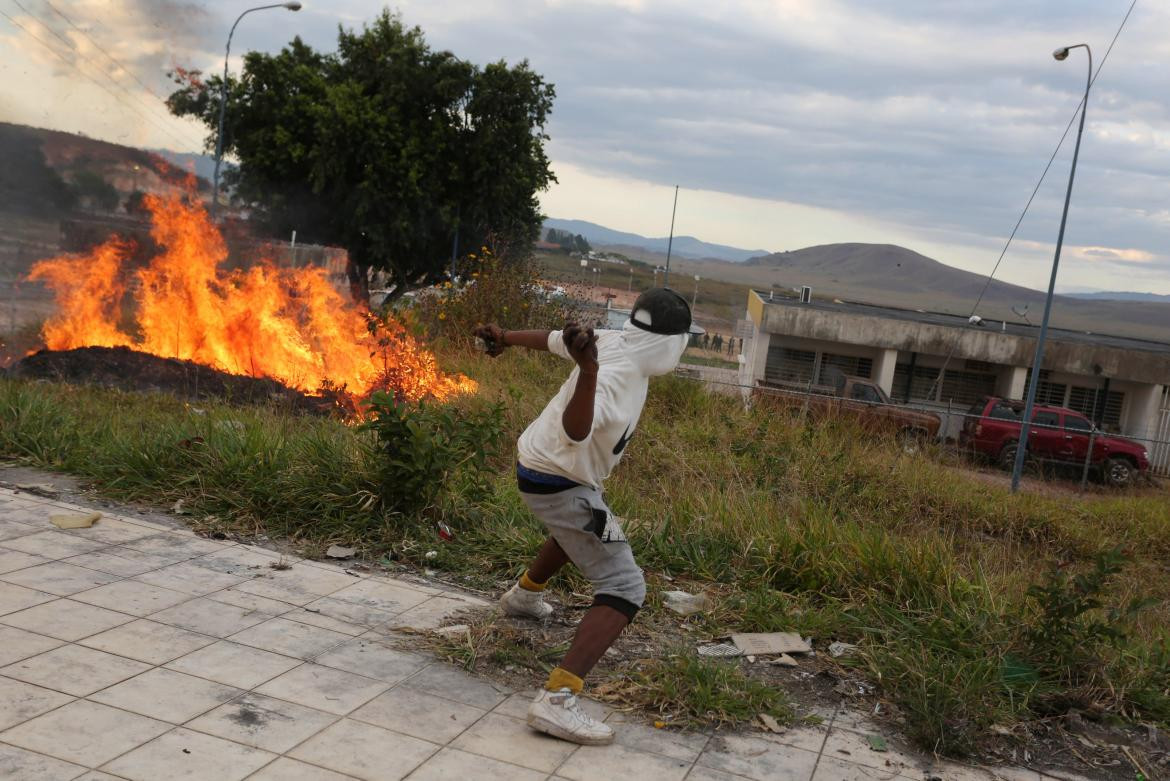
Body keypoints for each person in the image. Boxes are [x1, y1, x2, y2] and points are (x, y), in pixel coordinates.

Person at [474, 288, 703, 745]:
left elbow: (555, 339)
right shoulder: (614, 371)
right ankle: (557, 699)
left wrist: (505, 336)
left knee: (582, 525)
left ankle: (523, 597)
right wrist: (590, 373)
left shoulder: (618, 342)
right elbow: (575, 431)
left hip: (542, 466)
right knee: (625, 585)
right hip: (560, 479)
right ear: (668, 345)